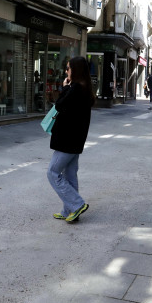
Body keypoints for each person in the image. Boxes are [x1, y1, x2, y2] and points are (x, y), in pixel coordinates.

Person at [48, 56, 95, 222]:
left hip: (67, 140)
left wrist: (64, 88)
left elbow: (59, 105)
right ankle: (69, 211)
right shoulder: (85, 88)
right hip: (76, 139)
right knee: (70, 175)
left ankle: (76, 205)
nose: (66, 71)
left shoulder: (75, 88)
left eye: (68, 68)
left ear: (75, 70)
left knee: (52, 172)